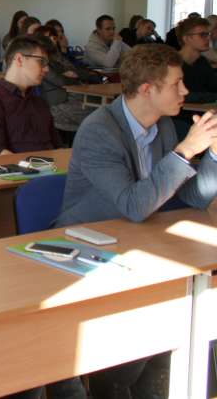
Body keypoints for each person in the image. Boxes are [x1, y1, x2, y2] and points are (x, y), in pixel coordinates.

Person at [56, 43, 217, 398]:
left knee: (173, 326)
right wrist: (186, 151)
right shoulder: (99, 130)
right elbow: (133, 205)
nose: (185, 91)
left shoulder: (165, 127)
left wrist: (214, 155)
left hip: (136, 240)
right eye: (176, 84)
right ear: (147, 89)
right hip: (84, 245)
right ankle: (113, 380)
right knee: (146, 337)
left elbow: (191, 198)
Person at [0, 36, 61, 154]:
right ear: (19, 60)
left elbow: (58, 148)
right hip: (19, 166)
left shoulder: (40, 102)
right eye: (41, 61)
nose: (46, 69)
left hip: (53, 163)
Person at [34, 25, 99, 135]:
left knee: (102, 106)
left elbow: (76, 71)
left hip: (74, 96)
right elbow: (60, 80)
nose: (53, 40)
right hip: (59, 103)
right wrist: (71, 77)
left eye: (54, 37)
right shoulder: (40, 60)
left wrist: (74, 75)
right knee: (97, 116)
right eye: (49, 37)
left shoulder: (57, 56)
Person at [176, 16, 217, 102]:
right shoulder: (172, 63)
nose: (208, 38)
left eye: (208, 34)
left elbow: (213, 87)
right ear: (186, 39)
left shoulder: (202, 62)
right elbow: (178, 94)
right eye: (202, 35)